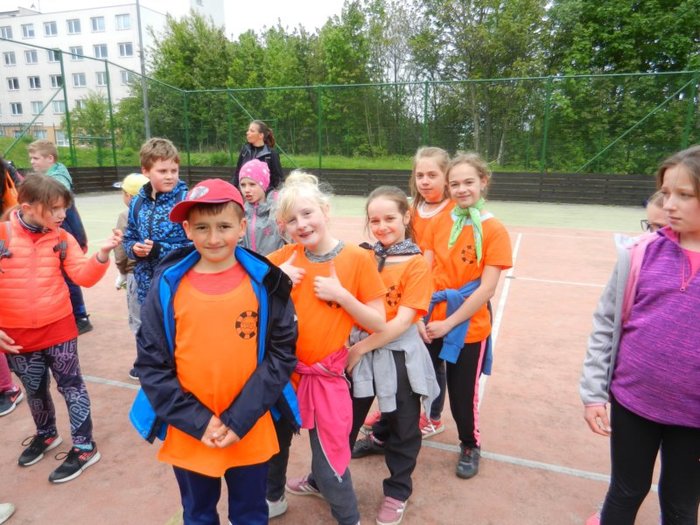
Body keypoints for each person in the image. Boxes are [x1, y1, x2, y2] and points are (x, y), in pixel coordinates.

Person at [133, 178, 299, 525]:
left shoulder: (267, 283)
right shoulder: (167, 286)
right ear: (186, 229)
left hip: (249, 425)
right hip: (190, 428)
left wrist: (239, 420)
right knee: (197, 514)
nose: (213, 238)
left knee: (251, 514)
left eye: (223, 226)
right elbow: (151, 363)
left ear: (241, 226)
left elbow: (281, 355)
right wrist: (198, 422)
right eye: (201, 227)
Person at [580, 145, 700, 525]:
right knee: (625, 491)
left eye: (684, 195)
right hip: (633, 403)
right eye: (666, 193)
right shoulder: (639, 253)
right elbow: (606, 323)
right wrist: (593, 392)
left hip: (694, 417)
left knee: (681, 505)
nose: (669, 205)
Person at [264, 171, 386, 524]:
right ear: (283, 226)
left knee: (329, 459)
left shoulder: (357, 259)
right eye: (291, 220)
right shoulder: (281, 260)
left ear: (325, 210)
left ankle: (349, 517)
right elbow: (250, 310)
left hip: (325, 378)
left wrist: (343, 296)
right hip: (282, 374)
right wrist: (276, 283)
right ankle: (273, 498)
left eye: (307, 213)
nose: (301, 224)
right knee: (274, 444)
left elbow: (379, 322)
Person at [0, 174, 122, 483]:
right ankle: (47, 434)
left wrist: (102, 254)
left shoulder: (62, 238)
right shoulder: (2, 235)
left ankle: (84, 446)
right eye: (54, 208)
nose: (61, 214)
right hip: (16, 336)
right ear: (27, 208)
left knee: (72, 386)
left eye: (63, 207)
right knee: (34, 390)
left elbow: (83, 276)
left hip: (59, 330)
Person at [346, 186, 440, 525]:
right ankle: (324, 476)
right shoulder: (362, 256)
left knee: (403, 426)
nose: (382, 226)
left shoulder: (416, 264)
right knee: (343, 420)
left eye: (389, 218)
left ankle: (397, 490)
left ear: (405, 217)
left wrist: (359, 348)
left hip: (396, 354)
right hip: (359, 351)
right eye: (375, 220)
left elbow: (402, 322)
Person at [422, 152, 512, 479]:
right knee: (411, 383)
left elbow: (486, 289)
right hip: (431, 319)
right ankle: (390, 431)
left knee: (462, 395)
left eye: (468, 182)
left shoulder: (494, 230)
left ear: (483, 182)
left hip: (467, 326)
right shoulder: (438, 222)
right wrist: (419, 316)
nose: (461, 189)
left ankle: (470, 444)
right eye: (455, 183)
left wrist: (449, 323)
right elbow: (424, 270)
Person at [362, 147, 453, 439]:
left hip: (430, 296)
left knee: (429, 361)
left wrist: (417, 313)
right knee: (404, 364)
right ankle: (388, 419)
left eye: (432, 174)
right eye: (419, 175)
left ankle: (430, 415)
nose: (424, 181)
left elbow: (428, 259)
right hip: (409, 296)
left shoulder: (454, 213)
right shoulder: (412, 209)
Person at [122, 138, 190, 378]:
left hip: (178, 284)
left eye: (174, 170)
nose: (170, 176)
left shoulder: (186, 200)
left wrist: (159, 249)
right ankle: (154, 373)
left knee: (179, 332)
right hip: (146, 283)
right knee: (149, 330)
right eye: (162, 171)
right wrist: (134, 248)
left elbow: (196, 245)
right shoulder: (137, 202)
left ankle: (181, 374)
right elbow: (129, 236)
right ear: (146, 171)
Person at [27, 140, 92, 334]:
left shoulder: (58, 181)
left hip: (66, 236)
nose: (32, 162)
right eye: (31, 158)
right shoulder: (52, 177)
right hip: (61, 234)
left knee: (69, 277)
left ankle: (80, 317)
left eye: (36, 158)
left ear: (50, 158)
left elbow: (47, 196)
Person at [112, 173, 149, 380]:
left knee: (138, 320)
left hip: (136, 272)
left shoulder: (126, 215)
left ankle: (144, 365)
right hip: (157, 272)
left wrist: (121, 272)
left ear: (129, 195)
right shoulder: (157, 211)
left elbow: (120, 249)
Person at [238, 159, 285, 255]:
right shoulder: (240, 211)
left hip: (276, 262)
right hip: (250, 263)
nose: (246, 190)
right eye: (243, 185)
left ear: (263, 184)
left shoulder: (278, 209)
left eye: (252, 184)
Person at [231, 120, 284, 192]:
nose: (247, 132)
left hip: (264, 196)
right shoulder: (245, 151)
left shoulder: (271, 154)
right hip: (244, 194)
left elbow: (278, 179)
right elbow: (237, 173)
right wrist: (232, 189)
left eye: (252, 131)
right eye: (248, 130)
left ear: (261, 135)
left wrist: (270, 195)